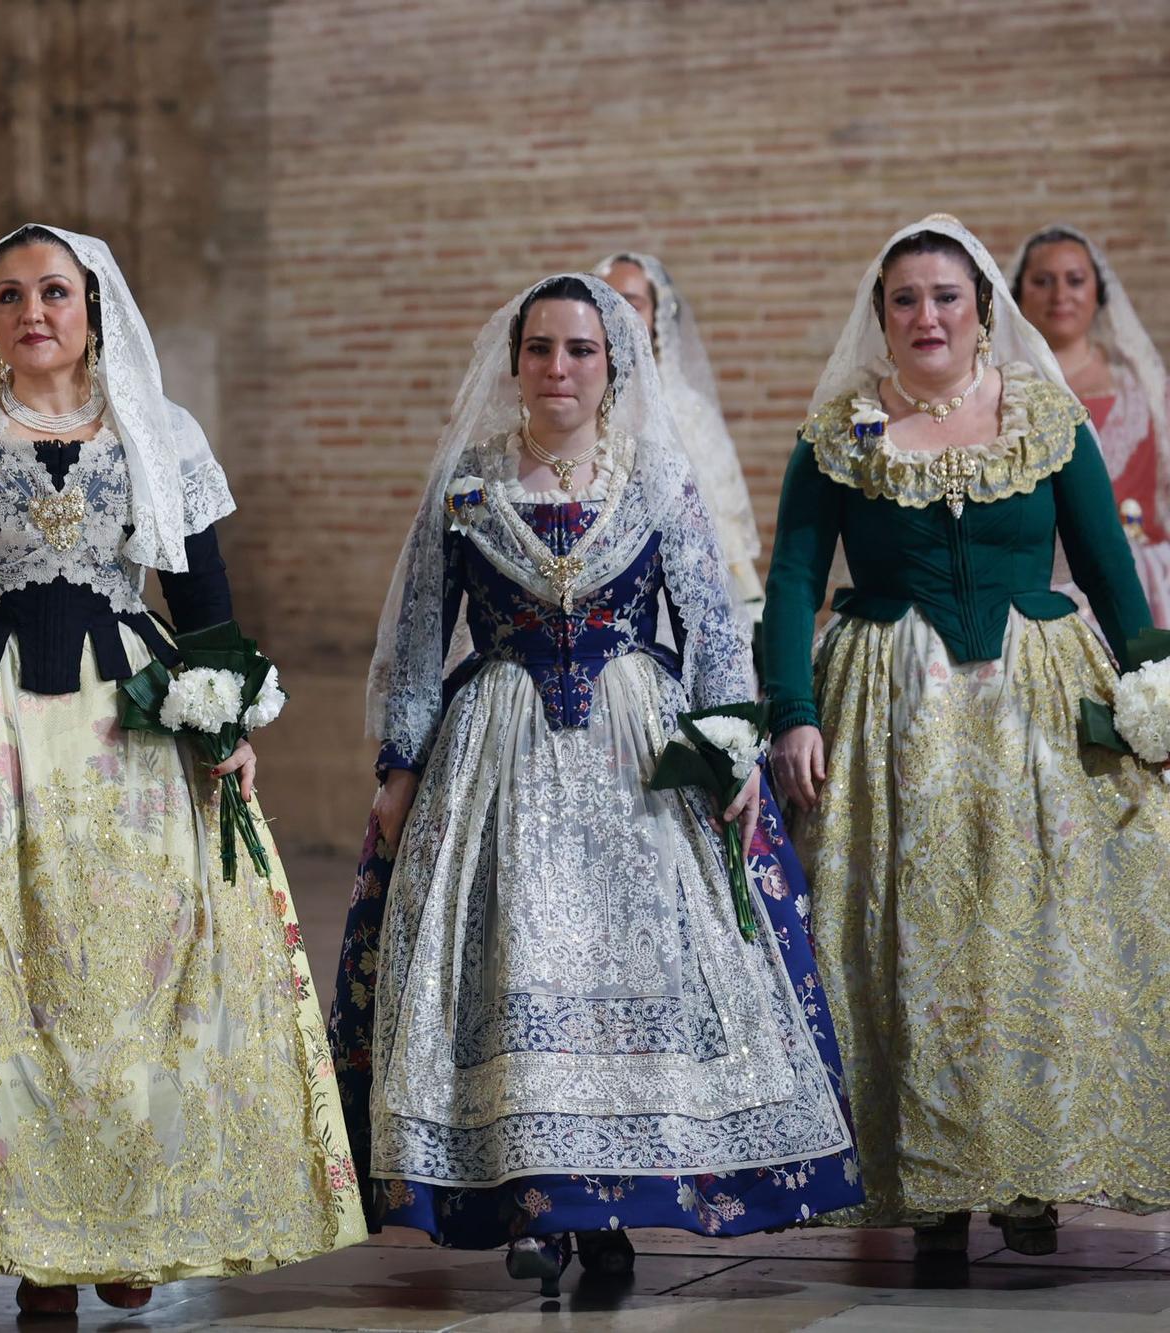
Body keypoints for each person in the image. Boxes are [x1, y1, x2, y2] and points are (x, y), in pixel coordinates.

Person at [0, 224, 365, 1314]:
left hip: (123, 732)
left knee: (125, 974)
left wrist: (226, 710)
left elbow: (204, 590)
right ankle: (33, 1247)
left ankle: (127, 1208)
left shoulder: (154, 431)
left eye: (53, 292)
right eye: (7, 297)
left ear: (93, 306)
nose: (31, 312)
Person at [341, 273, 859, 1295]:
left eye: (579, 351)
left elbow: (711, 626)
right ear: (515, 364)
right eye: (539, 349)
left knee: (632, 966)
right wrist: (399, 762)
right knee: (516, 955)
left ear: (611, 368)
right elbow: (414, 637)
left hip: (633, 754)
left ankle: (614, 1201)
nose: (557, 368)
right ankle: (533, 1202)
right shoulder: (469, 484)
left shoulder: (655, 482)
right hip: (498, 747)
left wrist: (727, 748)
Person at [765, 215, 1170, 1257]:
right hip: (887, 711)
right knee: (910, 940)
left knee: (1031, 929)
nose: (925, 316)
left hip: (1031, 708)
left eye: (945, 296)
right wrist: (791, 712)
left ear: (983, 309)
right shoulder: (835, 436)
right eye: (904, 300)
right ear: (880, 316)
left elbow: (1109, 573)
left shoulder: (1044, 418)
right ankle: (929, 1181)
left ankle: (1030, 1172)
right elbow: (793, 585)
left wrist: (1152, 691)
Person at [1010, 224, 1170, 622]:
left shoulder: (1143, 385)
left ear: (1098, 291)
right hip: (1037, 597)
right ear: (1016, 293)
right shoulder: (1000, 391)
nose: (1060, 295)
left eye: (1075, 280)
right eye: (1042, 281)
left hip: (1148, 584)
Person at [595, 251, 764, 618]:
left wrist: (751, 605)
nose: (618, 315)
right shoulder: (579, 407)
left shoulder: (690, 409)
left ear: (657, 315)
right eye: (605, 303)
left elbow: (723, 518)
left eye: (633, 303)